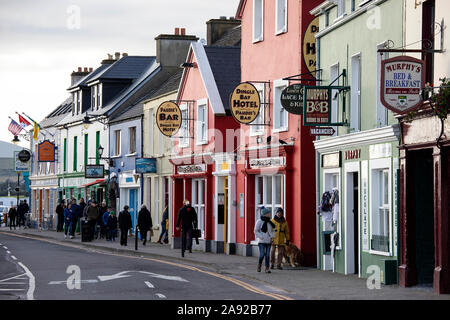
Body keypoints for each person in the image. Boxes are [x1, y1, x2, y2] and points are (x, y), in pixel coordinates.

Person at [254, 207, 275, 273]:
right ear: (265, 214)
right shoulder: (259, 221)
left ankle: (267, 268)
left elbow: (272, 231)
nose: (269, 214)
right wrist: (261, 237)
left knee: (268, 255)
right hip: (261, 241)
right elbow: (255, 231)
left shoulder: (270, 222)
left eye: (269, 213)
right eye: (268, 213)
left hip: (268, 241)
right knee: (262, 255)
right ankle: (259, 265)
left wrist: (272, 237)